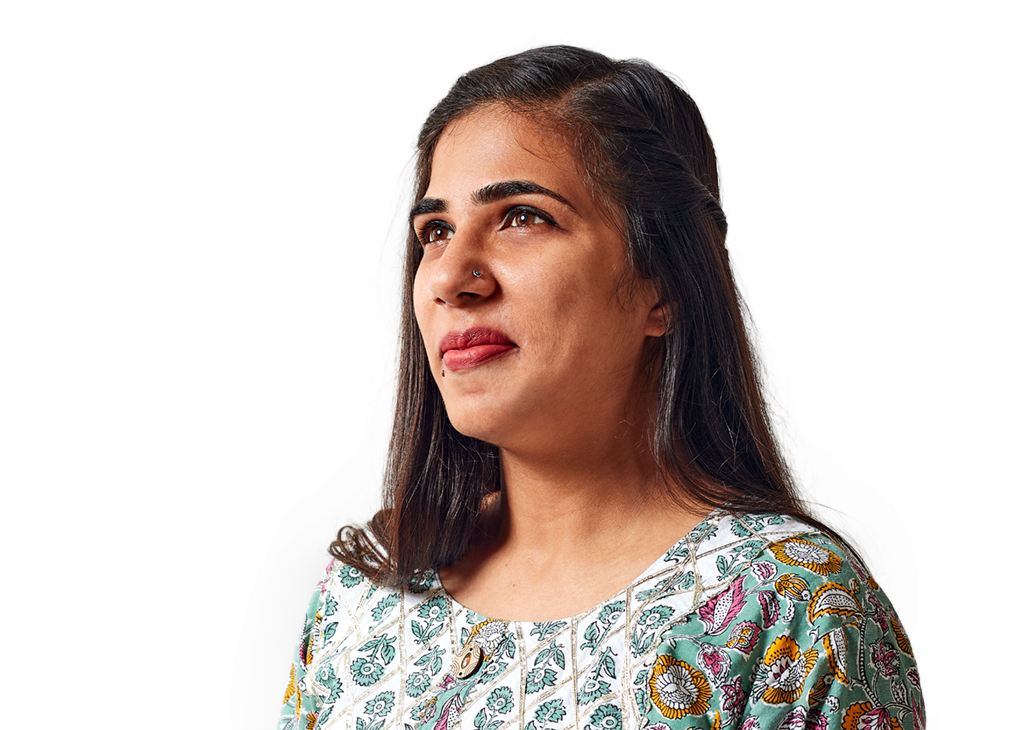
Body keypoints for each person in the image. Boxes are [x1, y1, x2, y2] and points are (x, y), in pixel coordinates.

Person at [279, 46, 924, 730]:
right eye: (435, 232)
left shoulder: (791, 609)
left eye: (522, 216)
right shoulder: (365, 593)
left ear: (664, 286)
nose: (449, 276)